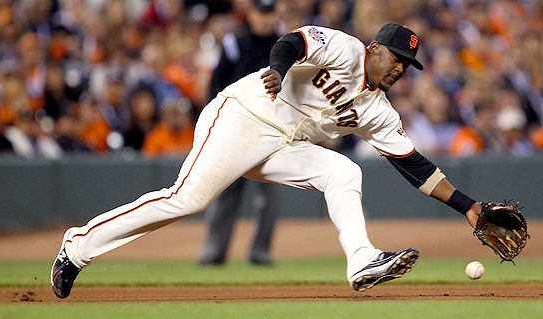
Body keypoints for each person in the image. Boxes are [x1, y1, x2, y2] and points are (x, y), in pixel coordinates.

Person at [51, 22, 483, 299]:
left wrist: (469, 207)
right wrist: (278, 68)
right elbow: (292, 42)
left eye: (407, 66)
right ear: (374, 48)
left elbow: (414, 165)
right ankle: (78, 247)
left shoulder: (379, 111)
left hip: (284, 146)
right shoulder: (345, 48)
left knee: (344, 170)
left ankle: (361, 261)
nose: (399, 70)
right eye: (396, 58)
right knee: (186, 200)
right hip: (244, 117)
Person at [198, 0, 280, 266]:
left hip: (271, 131)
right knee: (225, 194)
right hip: (236, 130)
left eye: (269, 13)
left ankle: (261, 253)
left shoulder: (285, 46)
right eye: (261, 12)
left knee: (269, 198)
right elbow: (216, 85)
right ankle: (214, 252)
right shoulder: (234, 43)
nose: (265, 19)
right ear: (251, 14)